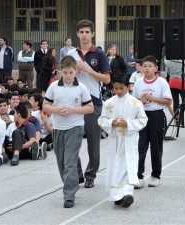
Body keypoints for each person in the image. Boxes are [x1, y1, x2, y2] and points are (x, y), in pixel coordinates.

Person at [43, 55, 94, 208]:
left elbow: (90, 108)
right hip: (58, 128)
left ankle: (69, 195)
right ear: (60, 71)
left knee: (69, 162)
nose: (68, 75)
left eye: (70, 72)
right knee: (61, 162)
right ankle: (73, 179)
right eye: (65, 72)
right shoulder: (53, 87)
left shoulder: (81, 88)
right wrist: (56, 110)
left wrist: (73, 110)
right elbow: (45, 106)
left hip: (75, 127)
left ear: (75, 72)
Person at [67, 19, 111, 188]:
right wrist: (72, 73)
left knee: (93, 142)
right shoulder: (71, 54)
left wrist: (88, 70)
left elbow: (107, 78)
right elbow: (61, 76)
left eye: (87, 32)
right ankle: (77, 173)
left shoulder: (99, 54)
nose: (84, 35)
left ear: (93, 34)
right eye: (81, 32)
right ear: (77, 34)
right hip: (73, 101)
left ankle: (91, 175)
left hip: (93, 101)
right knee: (72, 141)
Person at [98, 73, 147, 208]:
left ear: (128, 87)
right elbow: (101, 119)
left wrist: (128, 124)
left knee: (128, 165)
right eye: (115, 88)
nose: (118, 91)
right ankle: (116, 196)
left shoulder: (135, 103)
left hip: (129, 139)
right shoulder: (108, 103)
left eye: (121, 88)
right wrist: (111, 123)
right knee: (115, 166)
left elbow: (143, 120)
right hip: (115, 140)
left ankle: (127, 193)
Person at [132, 55, 172, 188]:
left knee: (156, 146)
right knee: (140, 146)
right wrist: (140, 101)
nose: (147, 68)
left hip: (156, 116)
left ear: (156, 68)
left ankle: (155, 176)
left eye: (150, 66)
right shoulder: (138, 83)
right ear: (141, 68)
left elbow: (168, 101)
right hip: (142, 116)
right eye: (145, 66)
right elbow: (133, 102)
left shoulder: (161, 82)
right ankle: (138, 176)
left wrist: (152, 98)